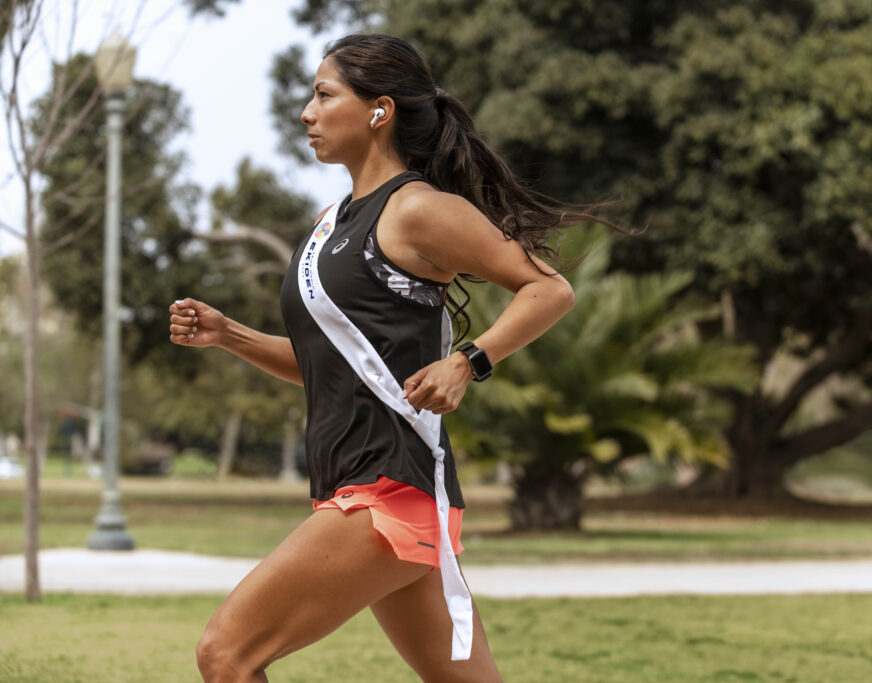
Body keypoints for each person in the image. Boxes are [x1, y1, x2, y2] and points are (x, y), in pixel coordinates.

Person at [169, 33, 615, 682]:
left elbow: (549, 289)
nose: (307, 112)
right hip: (361, 485)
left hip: (389, 489)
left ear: (380, 111)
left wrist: (468, 360)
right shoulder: (332, 222)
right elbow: (331, 364)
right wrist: (228, 332)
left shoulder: (417, 211)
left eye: (324, 95)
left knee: (226, 652)